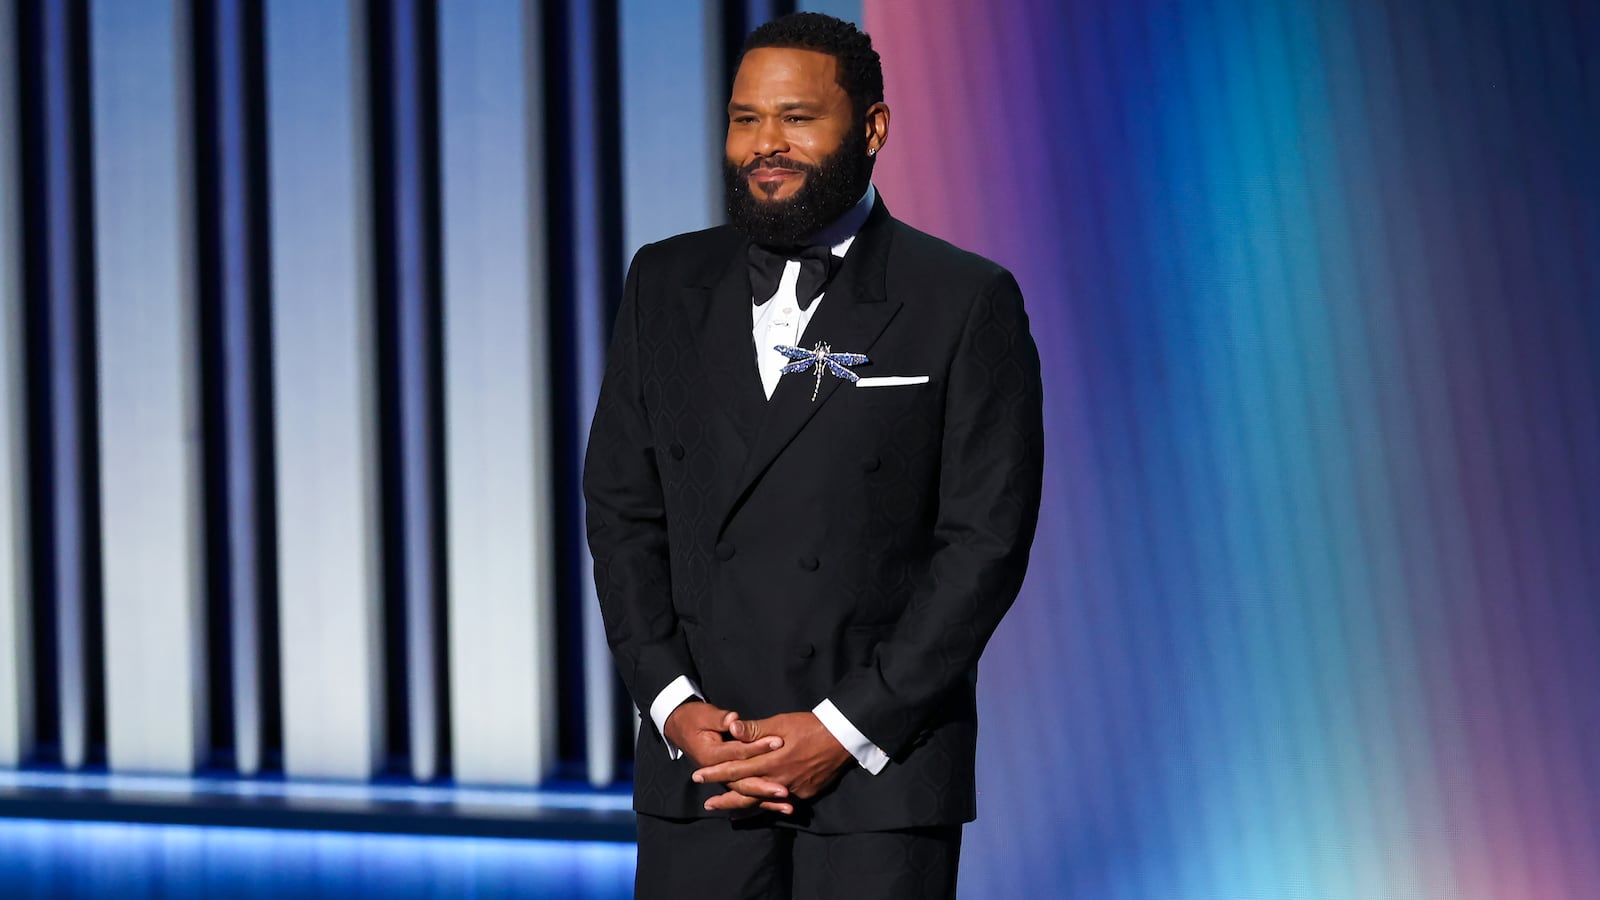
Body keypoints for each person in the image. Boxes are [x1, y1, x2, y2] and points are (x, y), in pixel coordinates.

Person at [584, 12, 1043, 899]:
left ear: (871, 127)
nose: (765, 144)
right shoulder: (664, 282)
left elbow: (984, 545)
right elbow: (622, 508)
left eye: (796, 118)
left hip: (880, 778)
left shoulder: (963, 298)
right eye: (745, 118)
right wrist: (675, 707)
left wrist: (843, 728)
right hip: (703, 773)